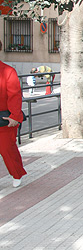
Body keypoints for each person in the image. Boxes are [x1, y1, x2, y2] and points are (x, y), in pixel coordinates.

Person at [0, 39, 27, 187]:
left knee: (7, 149)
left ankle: (17, 173)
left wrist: (15, 116)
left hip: (3, 118)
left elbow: (14, 95)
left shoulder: (8, 71)